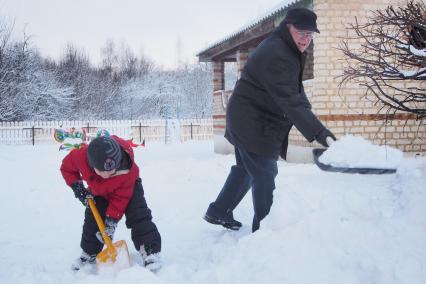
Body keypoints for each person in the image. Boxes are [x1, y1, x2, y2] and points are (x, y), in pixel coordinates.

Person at [204, 7, 336, 232]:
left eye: (310, 35)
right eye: (301, 33)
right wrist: (319, 132)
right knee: (264, 173)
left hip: (249, 118)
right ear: (288, 27)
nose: (306, 39)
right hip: (253, 123)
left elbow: (293, 91)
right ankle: (265, 232)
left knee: (247, 168)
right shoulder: (278, 53)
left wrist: (309, 116)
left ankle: (219, 211)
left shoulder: (285, 47)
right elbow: (289, 100)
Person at [60, 135, 161, 271]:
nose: (109, 174)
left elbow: (120, 199)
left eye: (112, 171)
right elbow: (67, 168)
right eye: (104, 172)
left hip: (128, 188)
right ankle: (89, 253)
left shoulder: (126, 170)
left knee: (138, 214)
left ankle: (150, 251)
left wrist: (111, 221)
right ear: (92, 164)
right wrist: (78, 189)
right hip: (99, 191)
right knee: (94, 218)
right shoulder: (80, 157)